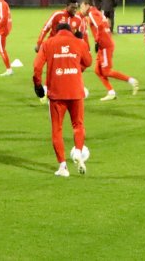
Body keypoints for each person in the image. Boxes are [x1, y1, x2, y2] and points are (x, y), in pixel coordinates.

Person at [34, 22, 93, 177]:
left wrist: (38, 86)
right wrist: (76, 69)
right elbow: (88, 62)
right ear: (70, 31)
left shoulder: (48, 43)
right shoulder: (79, 42)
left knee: (57, 129)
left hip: (57, 94)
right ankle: (78, 152)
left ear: (57, 31)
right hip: (76, 91)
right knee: (78, 125)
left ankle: (63, 167)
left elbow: (37, 67)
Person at [82, 0, 139, 100]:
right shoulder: (98, 12)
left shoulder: (92, 13)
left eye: (82, 6)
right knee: (97, 71)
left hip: (104, 45)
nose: (81, 8)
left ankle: (131, 80)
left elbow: (99, 25)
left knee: (107, 71)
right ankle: (111, 92)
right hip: (105, 44)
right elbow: (106, 24)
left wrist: (97, 41)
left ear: (87, 5)